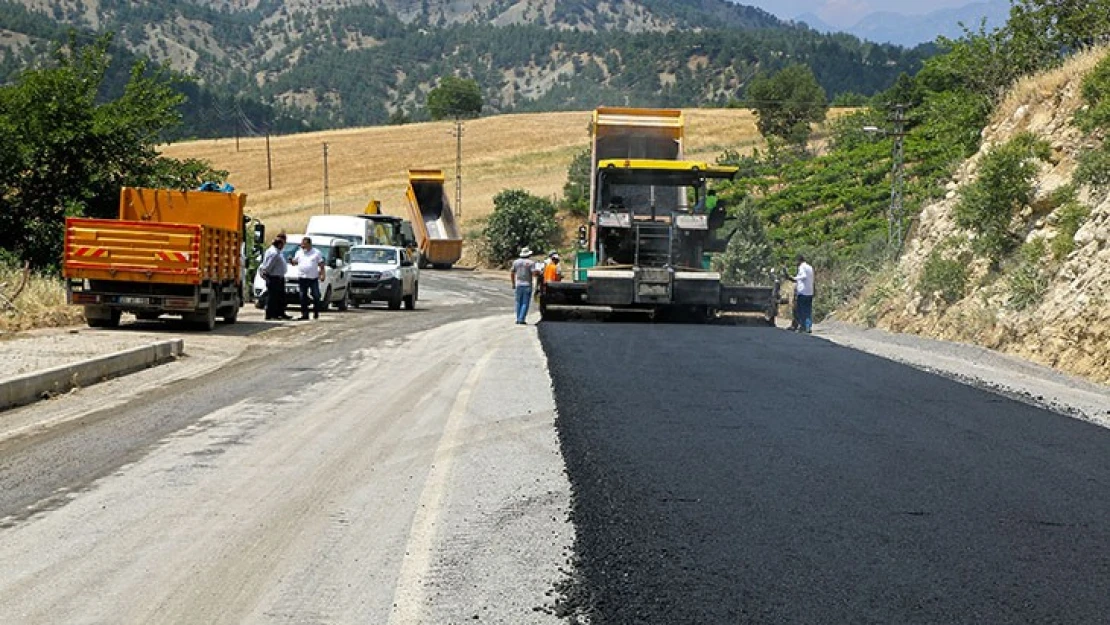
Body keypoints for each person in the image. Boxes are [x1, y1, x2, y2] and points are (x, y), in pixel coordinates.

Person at [291, 236, 326, 320]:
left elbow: (321, 265)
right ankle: (304, 314)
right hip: (302, 277)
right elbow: (295, 262)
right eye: (302, 245)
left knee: (316, 295)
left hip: (313, 278)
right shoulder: (299, 252)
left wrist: (322, 274)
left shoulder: (316, 253)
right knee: (302, 296)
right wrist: (291, 261)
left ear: (309, 244)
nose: (303, 246)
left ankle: (316, 312)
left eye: (304, 245)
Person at [260, 234, 291, 321]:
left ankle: (280, 313)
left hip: (279, 277)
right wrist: (266, 273)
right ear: (279, 245)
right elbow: (269, 265)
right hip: (274, 277)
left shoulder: (277, 252)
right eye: (283, 244)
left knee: (280, 297)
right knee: (272, 297)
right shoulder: (274, 253)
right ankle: (271, 314)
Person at [783, 253, 815, 333]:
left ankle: (803, 327)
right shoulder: (810, 267)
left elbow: (803, 276)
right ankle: (808, 327)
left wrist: (793, 278)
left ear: (799, 260)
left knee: (801, 311)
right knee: (808, 311)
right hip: (810, 292)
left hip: (803, 292)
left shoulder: (802, 267)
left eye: (796, 261)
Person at [510, 247, 537, 324]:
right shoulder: (531, 263)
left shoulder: (516, 262)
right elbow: (534, 274)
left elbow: (512, 273)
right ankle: (521, 319)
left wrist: (513, 283)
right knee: (525, 302)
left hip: (518, 284)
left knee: (518, 302)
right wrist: (538, 272)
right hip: (527, 284)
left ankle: (518, 318)